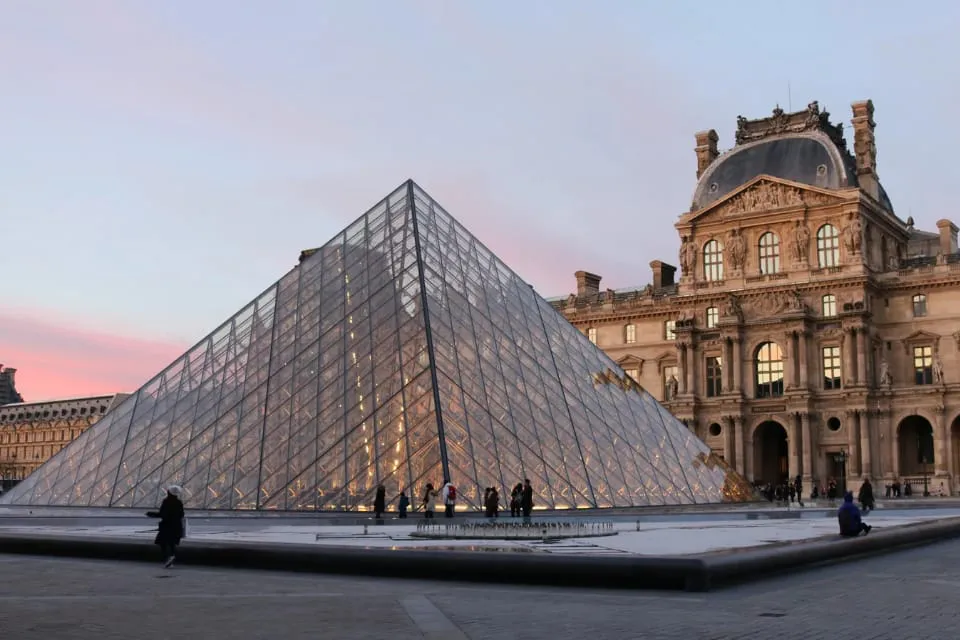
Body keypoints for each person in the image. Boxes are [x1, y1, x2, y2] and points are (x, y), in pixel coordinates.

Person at [146, 485, 185, 568]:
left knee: (161, 542)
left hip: (167, 526)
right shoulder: (179, 502)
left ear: (168, 493)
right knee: (172, 543)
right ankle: (171, 556)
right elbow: (182, 514)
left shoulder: (166, 501)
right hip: (177, 526)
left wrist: (151, 514)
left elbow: (162, 514)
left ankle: (168, 558)